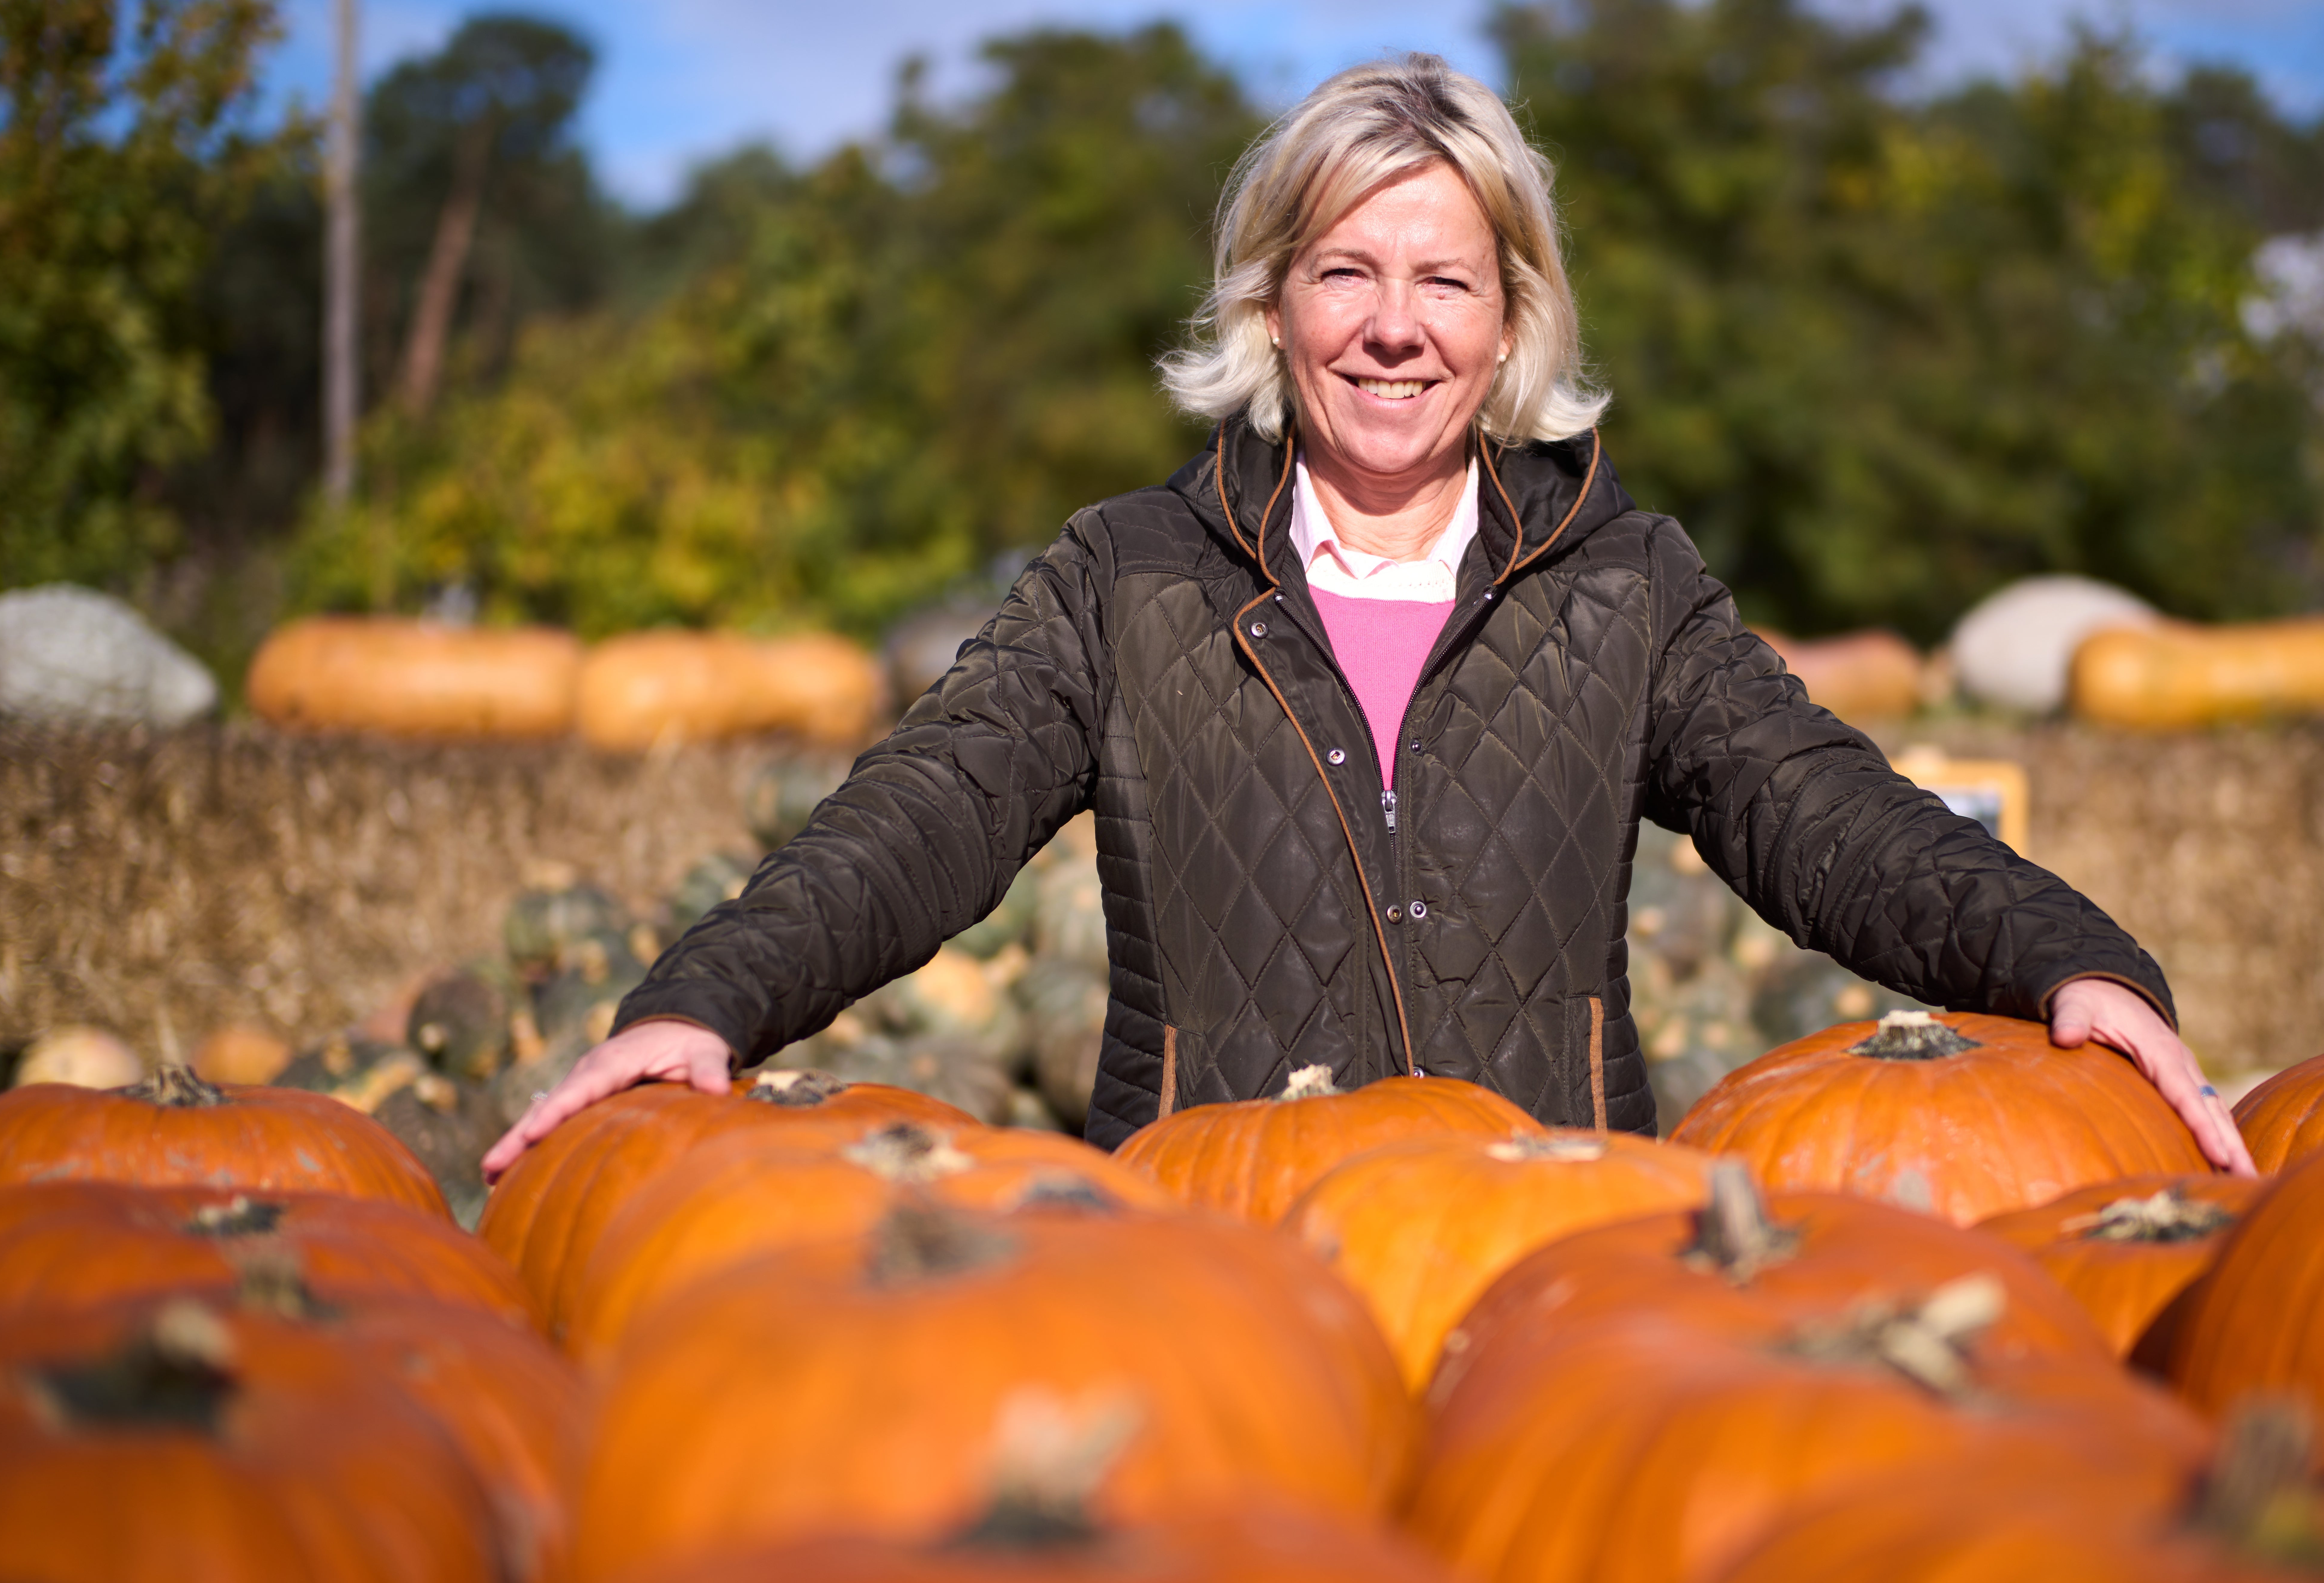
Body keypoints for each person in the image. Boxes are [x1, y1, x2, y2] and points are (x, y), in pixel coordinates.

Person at [483, 54, 2252, 1182]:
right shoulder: (1130, 576)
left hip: (1548, 1253)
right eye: (1344, 271)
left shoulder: (1623, 584)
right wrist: (704, 1002)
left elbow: (1826, 808)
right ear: (1272, 304)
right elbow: (921, 812)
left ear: (1511, 324)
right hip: (1212, 1257)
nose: (1391, 327)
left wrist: (2066, 956)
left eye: (1442, 280)